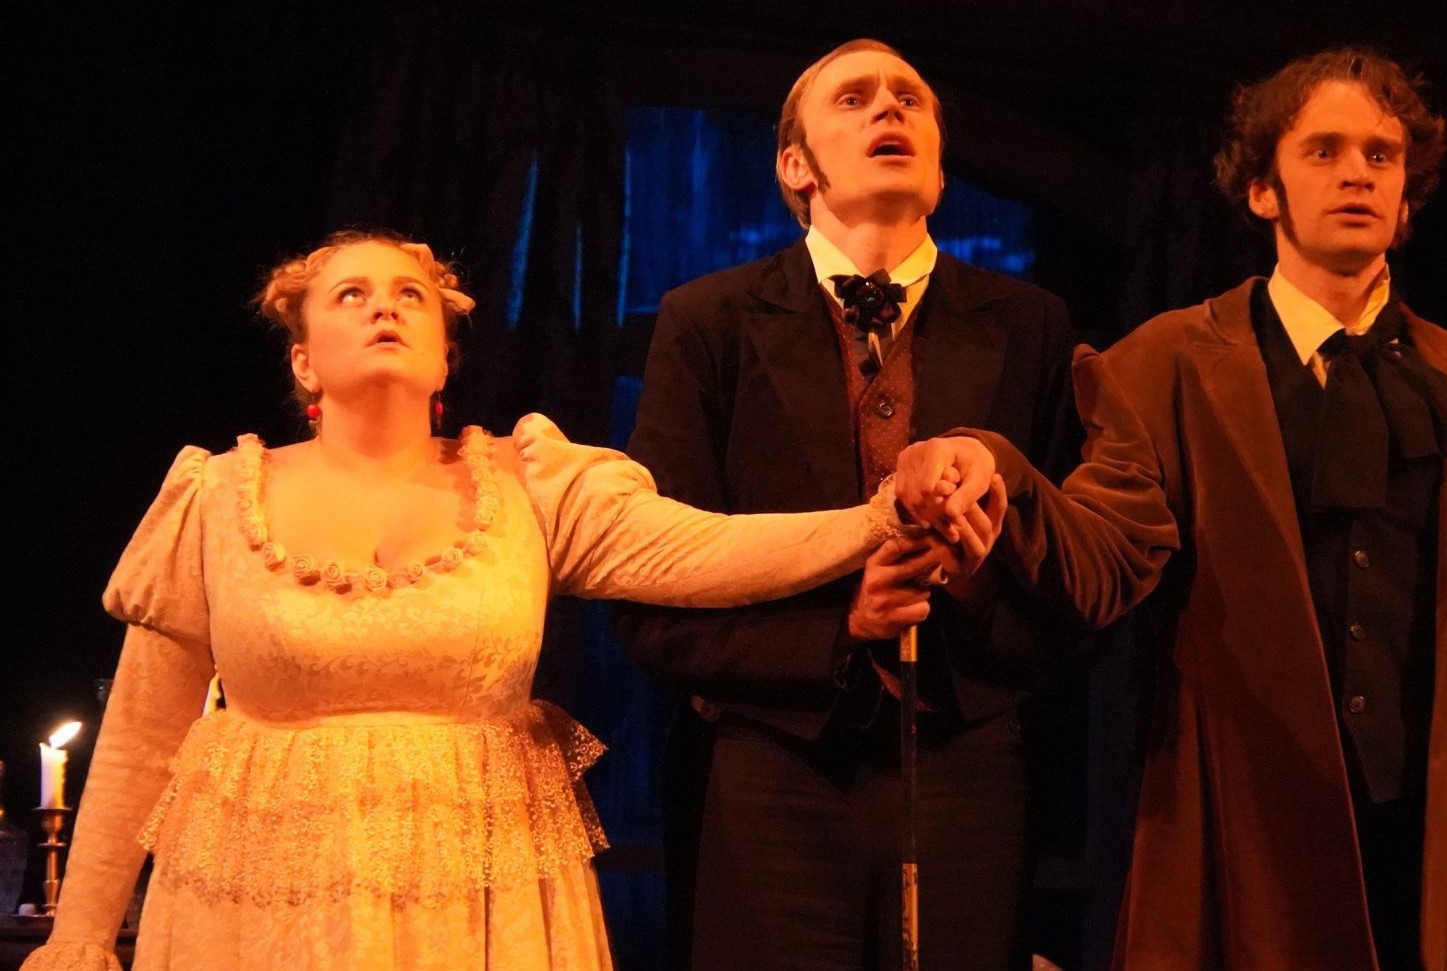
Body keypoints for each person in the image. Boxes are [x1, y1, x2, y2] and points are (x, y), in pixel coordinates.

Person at [23, 230, 928, 971]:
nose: (384, 306)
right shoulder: (219, 495)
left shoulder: (527, 481)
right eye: (351, 294)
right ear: (303, 361)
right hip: (260, 913)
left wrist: (874, 519)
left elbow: (696, 550)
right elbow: (144, 729)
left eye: (409, 295)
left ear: (445, 358)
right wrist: (82, 936)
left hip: (478, 906)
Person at [897, 48, 1447, 970]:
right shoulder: (1169, 364)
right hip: (1238, 856)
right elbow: (1103, 554)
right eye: (1323, 151)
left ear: (1407, 198)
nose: (1356, 173)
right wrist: (996, 467)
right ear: (1264, 189)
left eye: (1381, 155)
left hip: (1429, 867)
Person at [619, 38, 1094, 970]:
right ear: (797, 167)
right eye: (854, 98)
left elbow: (1077, 575)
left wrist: (974, 583)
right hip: (774, 762)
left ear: (941, 172)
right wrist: (842, 628)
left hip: (968, 762)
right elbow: (651, 592)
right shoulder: (708, 321)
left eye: (910, 98)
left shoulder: (1029, 324)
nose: (889, 108)